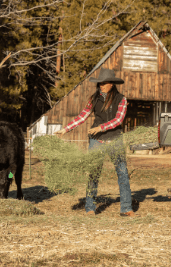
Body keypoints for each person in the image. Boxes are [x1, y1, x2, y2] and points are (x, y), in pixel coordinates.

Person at [54, 67, 137, 217]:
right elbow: (82, 116)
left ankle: (126, 208)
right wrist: (66, 129)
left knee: (122, 173)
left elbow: (118, 120)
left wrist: (101, 127)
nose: (101, 86)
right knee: (93, 173)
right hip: (96, 141)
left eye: (104, 83)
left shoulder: (122, 99)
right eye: (99, 83)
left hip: (114, 139)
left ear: (112, 83)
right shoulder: (94, 99)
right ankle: (90, 207)